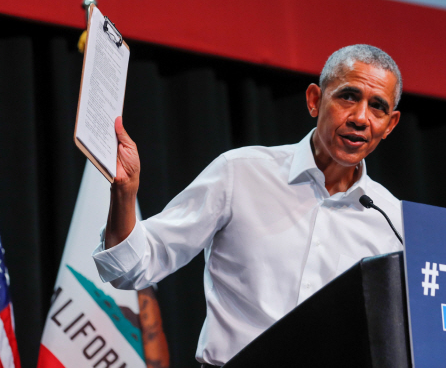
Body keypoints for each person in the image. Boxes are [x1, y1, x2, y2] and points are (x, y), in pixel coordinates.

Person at [93, 44, 403, 367]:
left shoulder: (392, 221)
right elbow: (130, 266)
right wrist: (124, 193)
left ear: (390, 124)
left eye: (377, 107)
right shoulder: (240, 173)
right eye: (348, 97)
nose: (360, 118)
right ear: (315, 100)